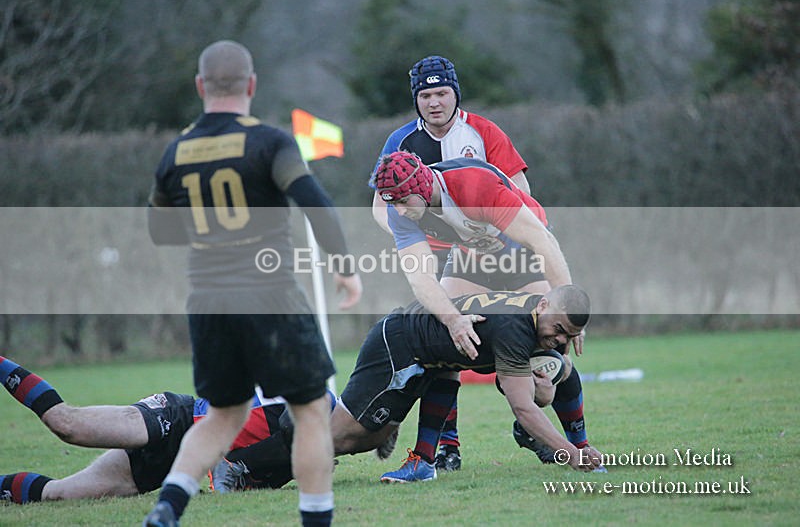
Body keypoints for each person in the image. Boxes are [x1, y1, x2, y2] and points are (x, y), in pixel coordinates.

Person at [143, 40, 362, 527]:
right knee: (309, 411)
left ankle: (167, 508)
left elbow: (159, 230)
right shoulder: (269, 142)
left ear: (200, 86)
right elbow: (315, 203)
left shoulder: (176, 151)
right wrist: (344, 266)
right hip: (270, 295)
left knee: (222, 415)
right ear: (252, 85)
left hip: (208, 300)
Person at [371, 151, 603, 481]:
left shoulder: (474, 184)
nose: (399, 211)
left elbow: (541, 240)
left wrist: (567, 310)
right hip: (472, 256)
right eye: (392, 203)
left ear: (423, 188)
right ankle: (431, 453)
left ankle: (579, 445)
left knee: (550, 351)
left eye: (404, 202)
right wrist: (452, 319)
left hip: (523, 252)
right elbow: (421, 279)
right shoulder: (402, 209)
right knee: (443, 341)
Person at [371, 55, 533, 474]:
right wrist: (409, 240)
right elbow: (379, 205)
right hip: (438, 255)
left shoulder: (483, 131)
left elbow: (520, 188)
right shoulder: (400, 141)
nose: (434, 102)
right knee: (444, 346)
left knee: (526, 330)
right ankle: (446, 444)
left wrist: (506, 238)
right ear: (416, 99)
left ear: (455, 93)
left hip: (495, 248)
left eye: (442, 92)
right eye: (425, 95)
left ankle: (532, 417)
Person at [336, 287, 601, 475]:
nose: (561, 341)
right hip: (396, 345)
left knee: (563, 365)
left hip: (433, 360)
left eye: (570, 335)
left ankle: (424, 463)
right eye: (558, 330)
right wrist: (570, 454)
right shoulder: (514, 328)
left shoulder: (537, 314)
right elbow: (523, 408)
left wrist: (579, 445)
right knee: (353, 439)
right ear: (543, 306)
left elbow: (547, 383)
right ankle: (304, 415)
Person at [0, 355, 304, 504]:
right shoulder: (306, 402)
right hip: (175, 419)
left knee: (58, 494)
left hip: (169, 465)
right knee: (67, 424)